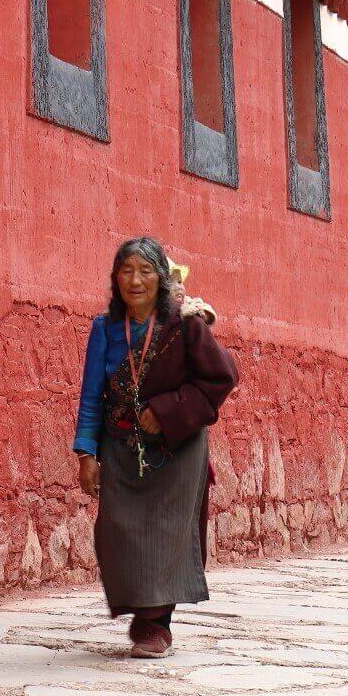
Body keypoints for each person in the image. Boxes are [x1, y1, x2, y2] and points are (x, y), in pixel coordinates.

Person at [73, 237, 238, 658]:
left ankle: (155, 624)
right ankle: (140, 610)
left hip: (177, 450)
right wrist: (86, 453)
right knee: (117, 531)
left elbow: (220, 379)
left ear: (161, 279)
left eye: (146, 271)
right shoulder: (105, 329)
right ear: (115, 279)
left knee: (167, 533)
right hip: (121, 446)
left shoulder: (185, 325)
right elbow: (92, 395)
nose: (136, 280)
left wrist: (166, 411)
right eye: (126, 270)